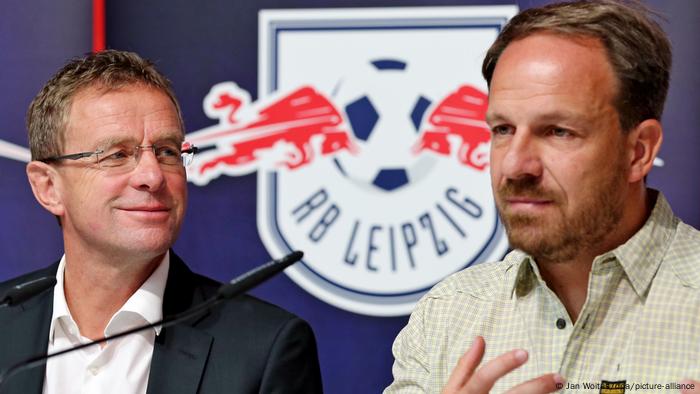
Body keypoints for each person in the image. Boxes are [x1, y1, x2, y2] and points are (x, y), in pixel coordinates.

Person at [385, 1, 700, 393]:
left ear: (638, 151)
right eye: (502, 129)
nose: (516, 165)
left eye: (558, 132)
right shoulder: (449, 313)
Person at [0, 50, 323, 394]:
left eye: (168, 151)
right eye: (117, 155)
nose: (153, 176)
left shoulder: (264, 348)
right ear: (48, 187)